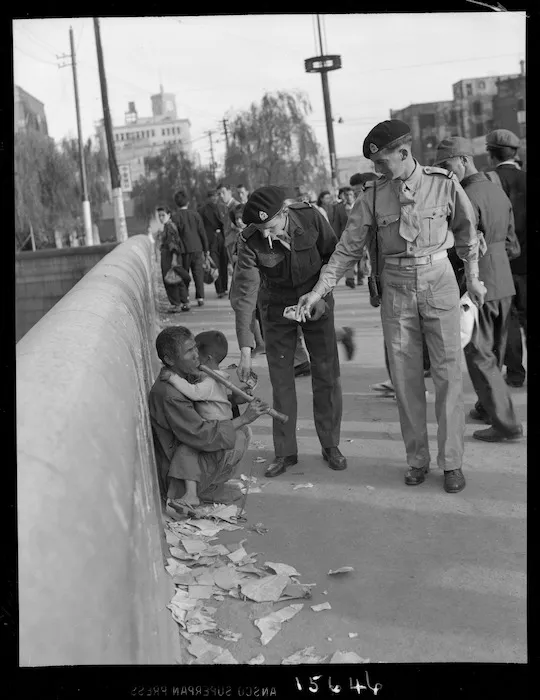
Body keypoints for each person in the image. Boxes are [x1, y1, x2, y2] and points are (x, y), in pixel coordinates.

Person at [297, 119, 486, 494]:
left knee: (449, 375)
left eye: (382, 162)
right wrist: (318, 291)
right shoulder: (371, 195)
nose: (377, 169)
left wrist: (475, 277)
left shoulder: (443, 183)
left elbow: (467, 232)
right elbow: (348, 249)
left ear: (403, 153)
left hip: (439, 280)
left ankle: (452, 463)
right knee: (405, 380)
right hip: (397, 289)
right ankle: (417, 459)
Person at [231, 185, 347, 478]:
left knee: (326, 375)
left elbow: (333, 257)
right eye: (260, 229)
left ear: (284, 213)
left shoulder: (310, 217)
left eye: (270, 227)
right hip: (276, 309)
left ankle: (331, 444)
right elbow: (245, 296)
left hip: (316, 302)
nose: (266, 236)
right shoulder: (249, 241)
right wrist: (245, 351)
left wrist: (319, 296)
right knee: (282, 382)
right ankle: (285, 452)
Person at [434, 137, 522, 442]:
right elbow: (513, 246)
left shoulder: (465, 196)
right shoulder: (496, 190)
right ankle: (487, 408)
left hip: (479, 282)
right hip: (504, 281)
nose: (446, 173)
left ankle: (505, 422)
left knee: (479, 354)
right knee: (494, 350)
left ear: (462, 160)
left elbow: (461, 246)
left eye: (447, 166)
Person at [148, 326, 269, 507]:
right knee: (239, 435)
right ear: (169, 359)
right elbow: (201, 435)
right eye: (189, 351)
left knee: (241, 431)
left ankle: (208, 486)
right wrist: (244, 418)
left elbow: (206, 406)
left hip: (191, 448)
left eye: (195, 347)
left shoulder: (185, 376)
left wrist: (232, 400)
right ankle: (198, 491)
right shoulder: (170, 393)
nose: (197, 355)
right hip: (180, 467)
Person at [485, 129, 527, 388]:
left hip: (503, 262)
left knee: (508, 320)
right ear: (516, 153)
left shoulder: (488, 182)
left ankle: (514, 374)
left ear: (490, 154)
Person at [172, 190, 210, 307]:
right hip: (197, 248)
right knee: (198, 273)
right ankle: (200, 297)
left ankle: (185, 298)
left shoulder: (174, 217)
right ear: (187, 202)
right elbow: (202, 233)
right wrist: (206, 250)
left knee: (184, 275)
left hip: (183, 251)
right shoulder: (195, 215)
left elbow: (174, 236)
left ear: (176, 203)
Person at [156, 206, 190, 313]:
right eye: (159, 216)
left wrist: (174, 259)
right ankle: (184, 302)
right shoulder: (170, 226)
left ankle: (176, 304)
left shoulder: (169, 227)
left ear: (169, 215)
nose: (161, 218)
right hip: (172, 256)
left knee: (171, 280)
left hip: (170, 257)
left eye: (163, 215)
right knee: (177, 279)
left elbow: (173, 245)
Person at [198, 190, 228, 299]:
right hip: (211, 241)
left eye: (216, 196)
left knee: (224, 263)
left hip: (222, 239)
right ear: (208, 198)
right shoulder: (202, 210)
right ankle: (219, 290)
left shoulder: (222, 208)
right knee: (216, 265)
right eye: (212, 196)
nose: (214, 198)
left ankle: (224, 288)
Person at [217, 183, 240, 266]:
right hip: (229, 243)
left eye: (223, 192)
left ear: (230, 192)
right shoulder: (225, 207)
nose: (221, 196)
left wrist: (234, 226)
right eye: (219, 194)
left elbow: (243, 226)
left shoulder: (237, 206)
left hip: (236, 243)